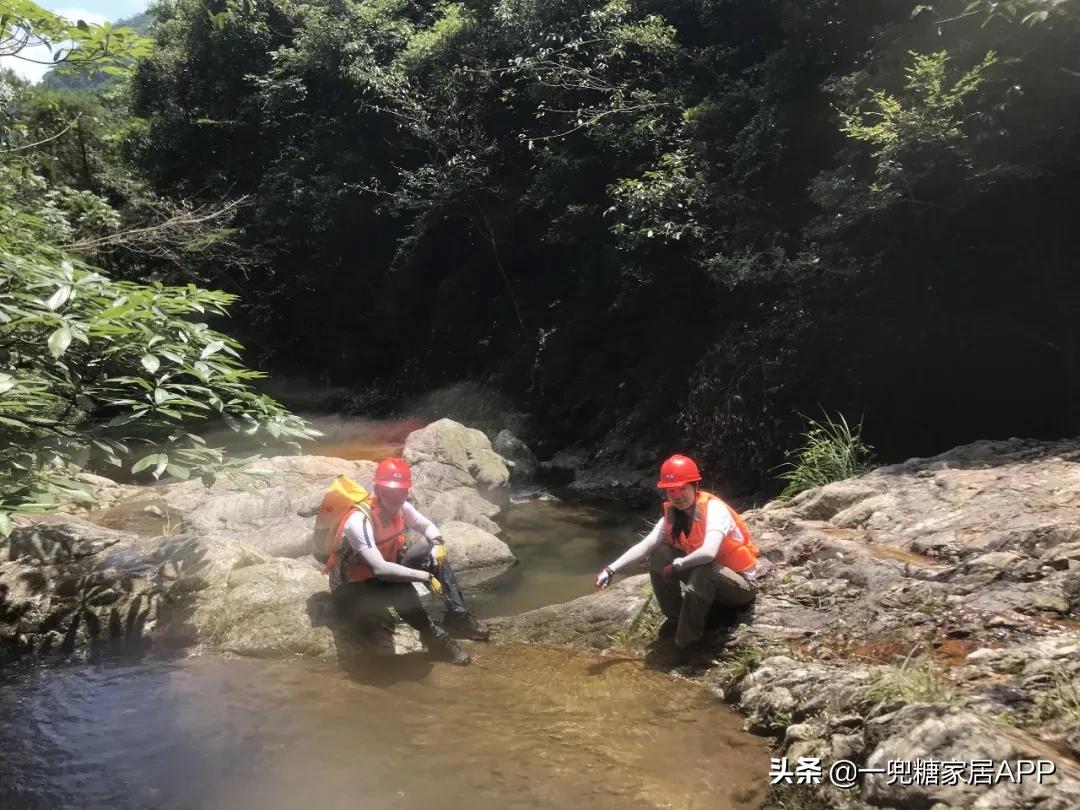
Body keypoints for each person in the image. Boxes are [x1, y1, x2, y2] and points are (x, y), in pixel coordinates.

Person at [328, 457, 489, 666]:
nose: (395, 498)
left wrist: (438, 544)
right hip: (352, 585)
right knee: (399, 594)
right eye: (389, 491)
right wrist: (424, 576)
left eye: (400, 492)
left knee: (432, 552)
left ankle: (458, 616)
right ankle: (434, 636)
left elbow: (427, 526)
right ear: (377, 488)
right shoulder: (359, 520)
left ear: (406, 492)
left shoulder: (402, 507)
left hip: (385, 572)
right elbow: (379, 568)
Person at [594, 454, 759, 651]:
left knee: (704, 569)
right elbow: (644, 546)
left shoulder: (714, 509)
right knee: (659, 554)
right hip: (706, 580)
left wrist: (679, 564)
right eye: (671, 490)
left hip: (739, 585)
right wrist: (610, 569)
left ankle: (686, 642)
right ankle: (678, 618)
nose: (677, 495)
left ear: (695, 486)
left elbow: (708, 552)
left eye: (683, 488)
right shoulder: (672, 516)